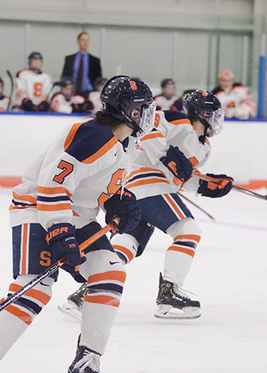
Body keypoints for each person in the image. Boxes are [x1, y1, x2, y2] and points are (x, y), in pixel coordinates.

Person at [0, 75, 154, 373]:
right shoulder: (94, 135)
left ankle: (87, 360)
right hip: (37, 208)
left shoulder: (127, 142)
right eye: (145, 108)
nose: (150, 114)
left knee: (110, 270)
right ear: (131, 111)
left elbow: (99, 185)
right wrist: (61, 231)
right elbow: (53, 184)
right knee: (36, 287)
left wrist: (116, 201)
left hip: (76, 214)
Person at [60, 90, 233, 321]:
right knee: (188, 230)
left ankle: (89, 290)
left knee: (127, 244)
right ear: (201, 113)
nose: (214, 120)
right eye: (211, 114)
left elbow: (179, 175)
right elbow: (148, 129)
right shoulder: (179, 121)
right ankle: (169, 291)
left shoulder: (204, 148)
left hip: (136, 191)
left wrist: (205, 185)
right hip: (148, 183)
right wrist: (166, 156)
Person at [61, 31, 103, 97]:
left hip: (89, 93)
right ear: (78, 41)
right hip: (72, 93)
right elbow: (64, 77)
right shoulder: (70, 59)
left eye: (87, 40)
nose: (85, 43)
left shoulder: (95, 61)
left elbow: (99, 80)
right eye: (83, 40)